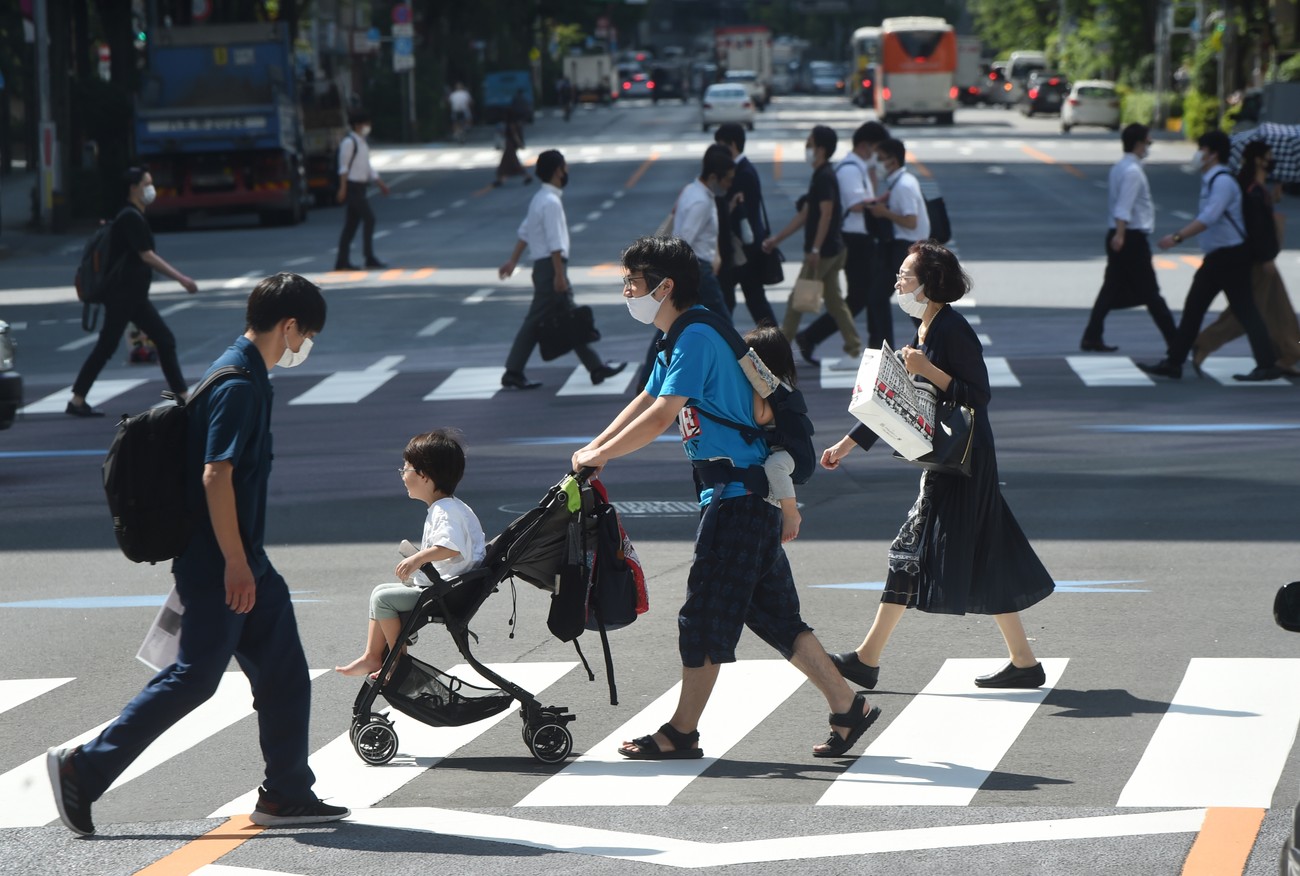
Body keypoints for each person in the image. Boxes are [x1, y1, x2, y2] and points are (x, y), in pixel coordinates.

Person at [48, 273, 350, 835]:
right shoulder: (237, 384)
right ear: (287, 326)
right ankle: (82, 770)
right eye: (304, 334)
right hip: (219, 564)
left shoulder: (245, 372)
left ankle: (286, 793)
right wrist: (235, 562)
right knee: (194, 677)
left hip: (244, 560)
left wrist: (246, 560)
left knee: (285, 673)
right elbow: (217, 476)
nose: (304, 345)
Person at [573, 236, 881, 760]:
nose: (627, 290)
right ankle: (847, 707)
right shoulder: (678, 337)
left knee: (701, 619)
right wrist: (594, 447)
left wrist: (603, 457)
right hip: (745, 498)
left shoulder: (694, 336)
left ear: (665, 287)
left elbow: (663, 413)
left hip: (737, 499)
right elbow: (645, 397)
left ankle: (682, 733)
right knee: (779, 619)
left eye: (633, 281)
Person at [820, 242, 1056, 691]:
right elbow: (898, 402)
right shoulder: (923, 329)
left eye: (906, 276)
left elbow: (979, 395)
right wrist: (848, 443)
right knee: (987, 552)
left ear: (930, 285)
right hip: (950, 458)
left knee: (910, 548)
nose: (898, 282)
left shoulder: (952, 329)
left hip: (962, 460)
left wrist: (929, 368)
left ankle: (867, 658)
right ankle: (1023, 661)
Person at [336, 429, 486, 677]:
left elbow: (450, 547)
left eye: (405, 469)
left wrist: (418, 558)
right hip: (450, 588)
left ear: (424, 475)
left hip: (447, 593)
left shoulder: (445, 511)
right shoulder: (449, 507)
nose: (402, 475)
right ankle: (373, 656)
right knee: (380, 592)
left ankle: (397, 661)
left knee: (383, 600)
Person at [1138, 129, 1282, 382]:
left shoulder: (1223, 181)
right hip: (1219, 258)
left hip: (1231, 257)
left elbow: (1210, 217)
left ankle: (1267, 363)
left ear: (1213, 154)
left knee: (1245, 310)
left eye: (1202, 149)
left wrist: (1177, 237)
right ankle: (1174, 362)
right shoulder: (1213, 179)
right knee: (1195, 308)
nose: (1198, 154)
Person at [67, 167, 199, 418]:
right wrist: (181, 279)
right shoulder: (130, 217)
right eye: (147, 183)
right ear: (134, 188)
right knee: (153, 340)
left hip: (131, 295)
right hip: (124, 295)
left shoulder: (132, 216)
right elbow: (146, 255)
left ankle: (78, 398)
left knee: (150, 341)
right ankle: (182, 396)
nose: (151, 189)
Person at [498, 149, 624, 390]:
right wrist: (558, 274)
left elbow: (525, 232)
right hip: (550, 268)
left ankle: (595, 367)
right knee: (541, 320)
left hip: (545, 267)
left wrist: (513, 260)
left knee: (569, 317)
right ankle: (513, 371)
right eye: (565, 168)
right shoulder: (551, 202)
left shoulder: (539, 199)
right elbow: (555, 242)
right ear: (557, 171)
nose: (566, 172)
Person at [1192, 140, 1300, 375]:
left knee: (1279, 311)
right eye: (1268, 155)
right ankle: (1204, 343)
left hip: (1263, 258)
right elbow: (1255, 228)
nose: (1272, 160)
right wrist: (1265, 257)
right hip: (1259, 262)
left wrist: (1273, 197)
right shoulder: (1251, 190)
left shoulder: (1256, 189)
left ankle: (1286, 356)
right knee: (1247, 315)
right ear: (1258, 160)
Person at [763, 125, 861, 360]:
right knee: (835, 302)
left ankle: (780, 353)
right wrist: (777, 240)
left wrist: (815, 248)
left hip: (824, 252)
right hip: (832, 250)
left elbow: (825, 214)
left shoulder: (825, 176)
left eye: (810, 143)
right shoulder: (821, 175)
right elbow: (805, 215)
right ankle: (854, 346)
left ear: (820, 149)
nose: (806, 147)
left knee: (796, 302)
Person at [797, 121, 892, 365]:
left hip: (860, 239)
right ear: (866, 146)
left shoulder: (857, 168)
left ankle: (813, 337)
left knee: (860, 296)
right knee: (860, 297)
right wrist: (882, 203)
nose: (879, 157)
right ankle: (812, 337)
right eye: (878, 150)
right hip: (854, 240)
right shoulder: (850, 169)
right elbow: (856, 205)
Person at [1080, 124, 1177, 353]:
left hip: (1120, 235)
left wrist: (1117, 234)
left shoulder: (1120, 167)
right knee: (1151, 294)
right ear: (1138, 143)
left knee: (1111, 289)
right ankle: (1176, 343)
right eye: (1148, 143)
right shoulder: (1132, 171)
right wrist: (1121, 234)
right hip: (1130, 237)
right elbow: (1124, 206)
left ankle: (1091, 336)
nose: (1149, 147)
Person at [714, 122, 777, 327]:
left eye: (721, 145)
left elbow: (743, 215)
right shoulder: (744, 169)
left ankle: (776, 347)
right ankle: (777, 347)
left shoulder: (742, 173)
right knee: (751, 302)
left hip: (744, 250)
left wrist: (727, 209)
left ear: (732, 145)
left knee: (727, 303)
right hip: (745, 248)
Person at [744, 324, 802, 544]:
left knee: (774, 467)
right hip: (783, 447)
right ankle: (780, 507)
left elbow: (761, 417)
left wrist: (756, 386)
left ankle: (791, 513)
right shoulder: (782, 383)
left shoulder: (778, 389)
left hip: (791, 453)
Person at [672, 143, 734, 317]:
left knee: (675, 320)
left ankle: (659, 345)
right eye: (727, 179)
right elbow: (684, 241)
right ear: (714, 177)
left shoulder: (693, 190)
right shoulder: (701, 202)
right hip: (699, 270)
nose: (729, 185)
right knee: (723, 322)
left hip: (695, 268)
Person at [868, 137, 930, 286]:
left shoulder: (903, 186)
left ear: (893, 161)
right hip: (908, 246)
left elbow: (911, 222)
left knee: (878, 295)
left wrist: (884, 212)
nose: (877, 164)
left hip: (907, 247)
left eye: (880, 159)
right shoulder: (902, 180)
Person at [335, 109, 390, 271]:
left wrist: (380, 183)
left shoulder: (362, 142)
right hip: (352, 187)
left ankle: (342, 262)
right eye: (366, 124)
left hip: (360, 187)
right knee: (369, 219)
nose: (368, 126)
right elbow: (343, 167)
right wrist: (342, 188)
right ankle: (368, 257)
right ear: (357, 125)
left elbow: (367, 167)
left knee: (351, 225)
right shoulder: (349, 142)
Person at [493, 110, 531, 188]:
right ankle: (500, 179)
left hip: (510, 145)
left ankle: (527, 176)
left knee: (513, 163)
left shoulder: (511, 123)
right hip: (510, 144)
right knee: (505, 163)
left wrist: (519, 143)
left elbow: (514, 134)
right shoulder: (513, 123)